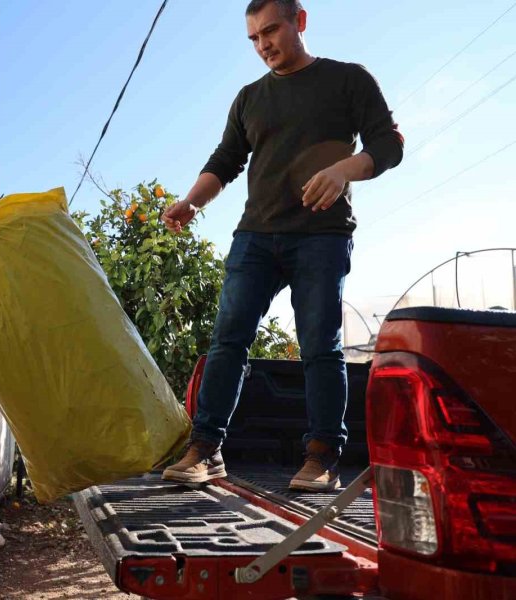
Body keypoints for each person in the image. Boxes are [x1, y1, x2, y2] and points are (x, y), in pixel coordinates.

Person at [161, 0, 403, 491]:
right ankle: (206, 449)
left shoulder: (348, 79)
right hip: (255, 235)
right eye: (253, 38)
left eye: (270, 31)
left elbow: (389, 143)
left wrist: (342, 170)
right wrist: (191, 202)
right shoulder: (250, 97)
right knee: (227, 341)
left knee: (320, 346)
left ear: (301, 21)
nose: (263, 45)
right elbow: (226, 160)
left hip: (321, 235)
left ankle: (323, 458)